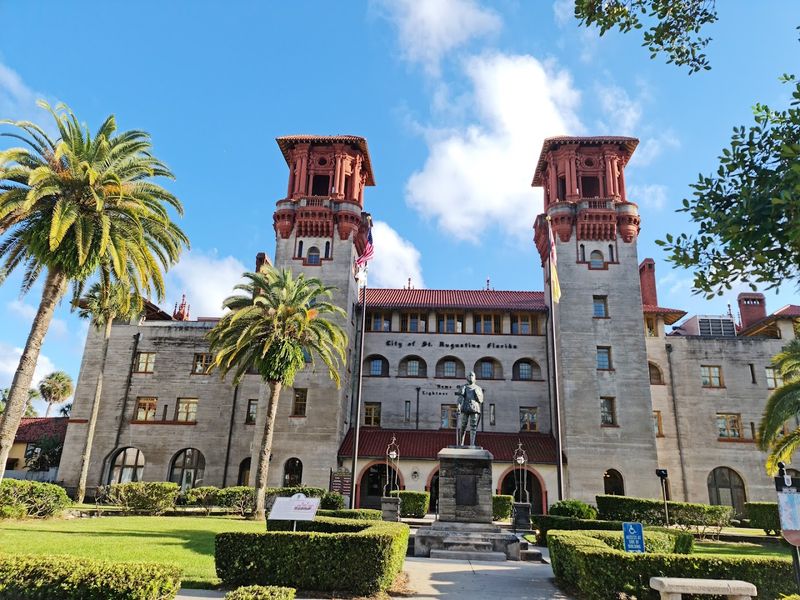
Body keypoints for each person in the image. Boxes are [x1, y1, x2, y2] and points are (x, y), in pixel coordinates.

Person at [455, 371, 484, 446]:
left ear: (475, 378)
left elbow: (481, 400)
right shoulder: (464, 387)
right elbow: (460, 397)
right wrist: (458, 405)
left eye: (472, 375)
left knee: (473, 426)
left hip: (475, 408)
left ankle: (472, 443)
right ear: (467, 378)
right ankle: (461, 443)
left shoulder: (478, 388)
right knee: (463, 425)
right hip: (465, 407)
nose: (471, 376)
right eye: (469, 375)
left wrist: (477, 394)